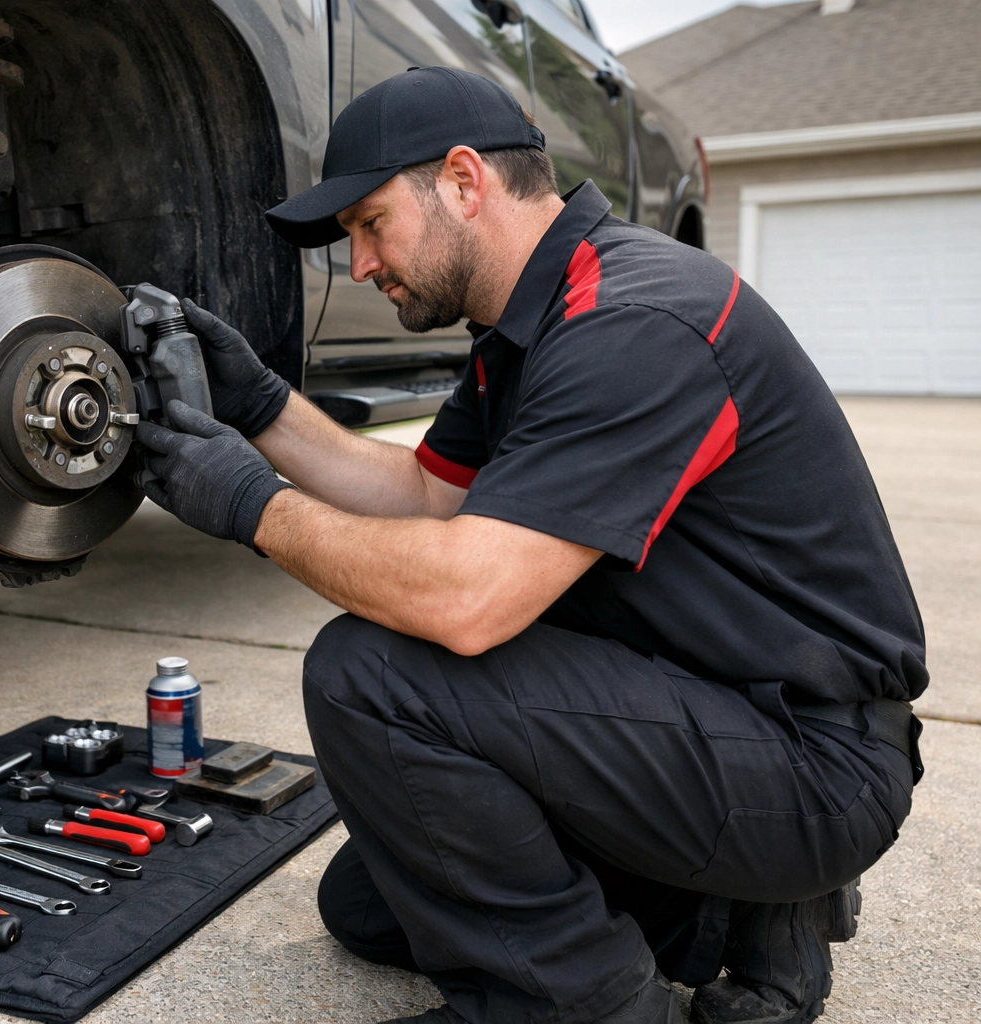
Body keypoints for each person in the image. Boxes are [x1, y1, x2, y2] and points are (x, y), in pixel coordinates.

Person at [134, 67, 925, 1024]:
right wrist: (260, 406)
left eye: (370, 222)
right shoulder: (532, 323)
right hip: (718, 713)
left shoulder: (632, 319)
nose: (361, 264)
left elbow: (467, 600)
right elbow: (426, 497)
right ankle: (737, 917)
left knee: (371, 675)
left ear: (464, 181)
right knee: (370, 904)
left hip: (806, 759)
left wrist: (253, 507)